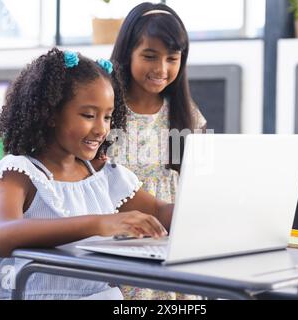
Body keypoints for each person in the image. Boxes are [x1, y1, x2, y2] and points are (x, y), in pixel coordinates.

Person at [0, 48, 172, 300]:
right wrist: (99, 223)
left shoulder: (103, 174)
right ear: (51, 114)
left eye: (108, 116)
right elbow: (1, 235)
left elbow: (160, 212)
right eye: (89, 115)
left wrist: (212, 211)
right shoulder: (18, 173)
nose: (101, 129)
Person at [109, 2, 206, 300]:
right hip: (120, 237)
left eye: (172, 58)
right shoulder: (106, 106)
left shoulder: (184, 112)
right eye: (149, 56)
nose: (161, 69)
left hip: (172, 237)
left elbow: (199, 175)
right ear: (128, 53)